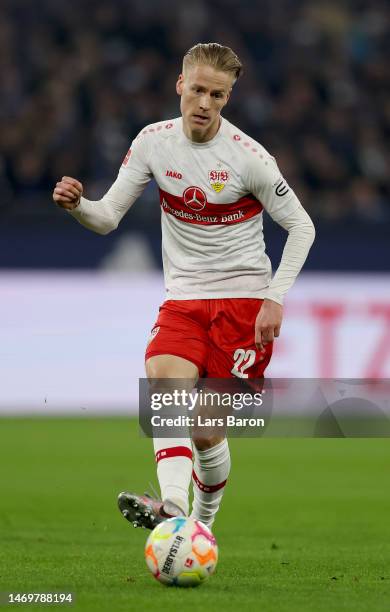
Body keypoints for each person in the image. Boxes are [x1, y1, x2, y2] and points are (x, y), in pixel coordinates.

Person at [53, 43, 315, 530]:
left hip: (243, 303)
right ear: (180, 85)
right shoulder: (153, 142)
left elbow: (303, 227)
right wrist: (78, 206)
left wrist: (274, 299)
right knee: (165, 386)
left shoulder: (250, 158)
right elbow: (107, 217)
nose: (205, 103)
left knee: (206, 431)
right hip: (183, 298)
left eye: (218, 95)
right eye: (197, 89)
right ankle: (172, 509)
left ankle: (202, 523)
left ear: (228, 98)